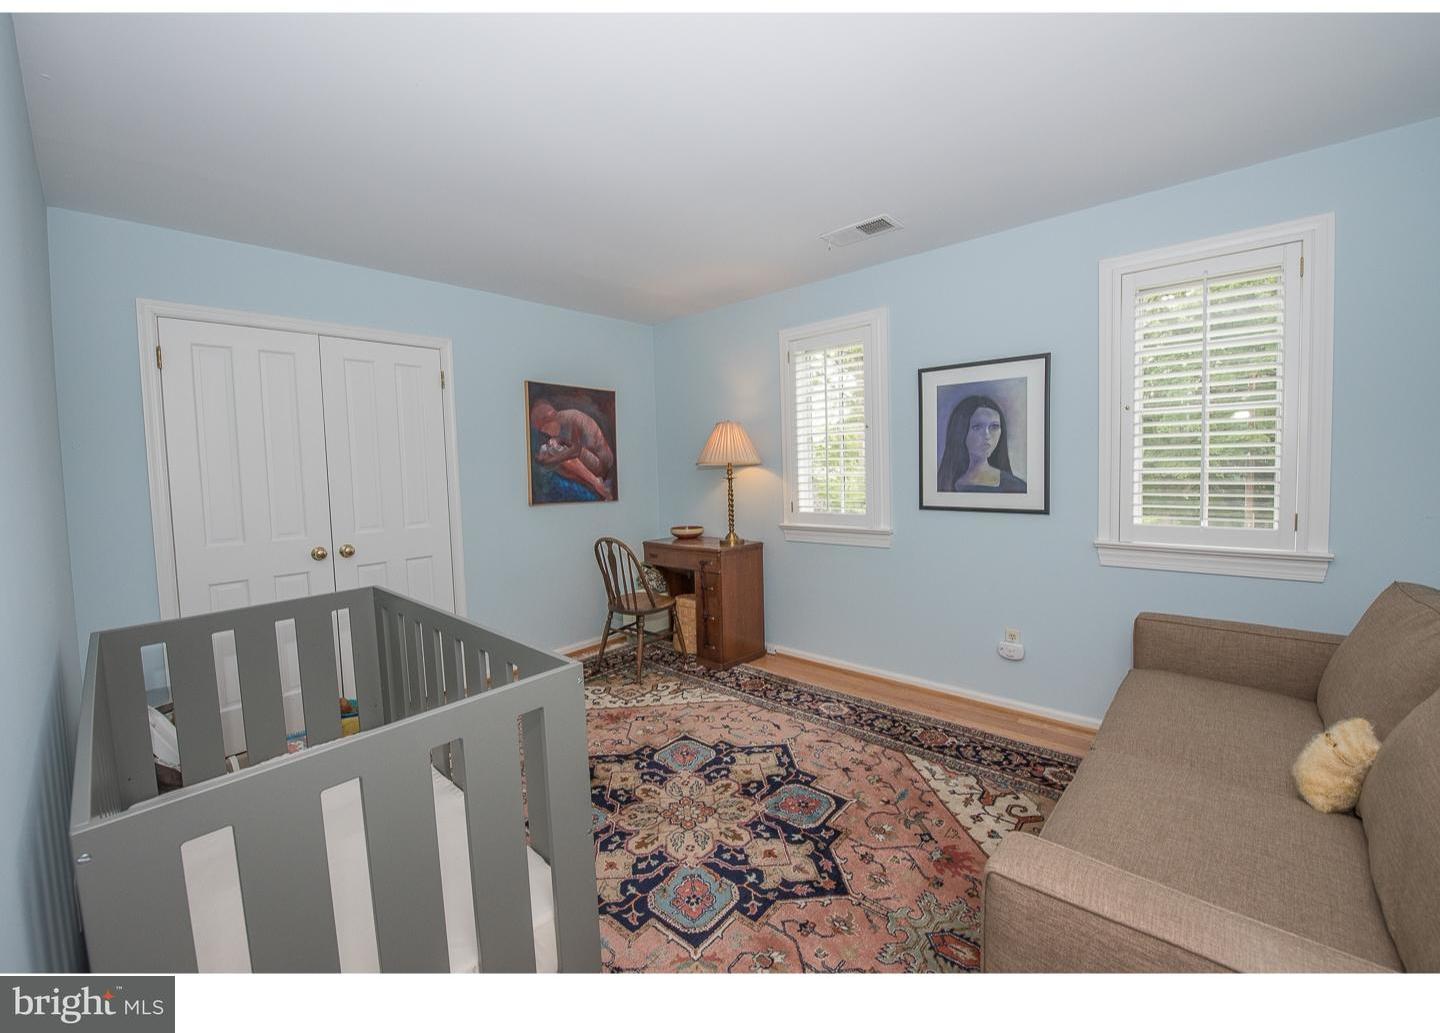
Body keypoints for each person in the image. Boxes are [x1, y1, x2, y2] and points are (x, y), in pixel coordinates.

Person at [937, 394, 1027, 493]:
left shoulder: (1016, 487)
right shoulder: (942, 484)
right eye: (977, 427)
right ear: (960, 431)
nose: (987, 435)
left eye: (994, 427)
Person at [530, 400, 616, 500]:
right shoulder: (560, 421)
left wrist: (549, 460)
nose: (545, 432)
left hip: (601, 463)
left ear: (551, 417)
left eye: (544, 428)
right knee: (558, 461)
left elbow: (576, 450)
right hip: (589, 458)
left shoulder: (572, 418)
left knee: (558, 453)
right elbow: (570, 444)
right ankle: (593, 485)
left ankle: (597, 484)